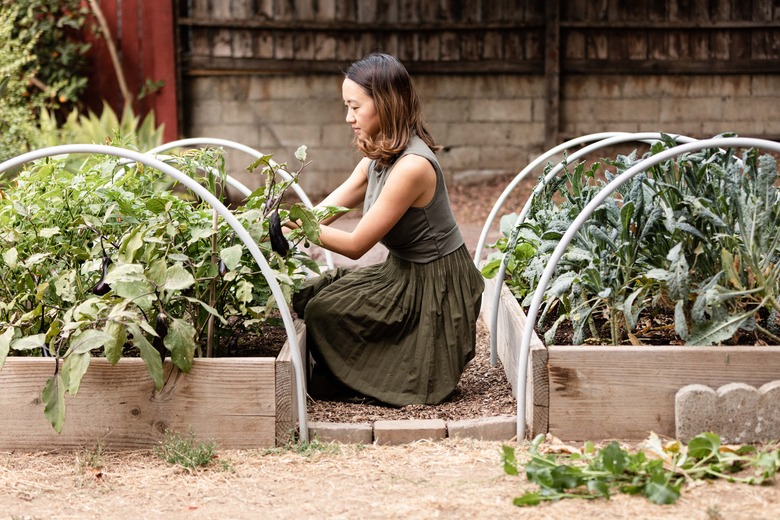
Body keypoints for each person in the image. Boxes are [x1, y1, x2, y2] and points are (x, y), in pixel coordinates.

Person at [291, 53, 485, 407]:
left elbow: (355, 245)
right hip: (403, 272)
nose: (348, 118)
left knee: (323, 311)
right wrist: (285, 224)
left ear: (385, 104)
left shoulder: (412, 166)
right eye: (346, 106)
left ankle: (364, 378)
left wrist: (296, 228)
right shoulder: (378, 158)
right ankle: (345, 373)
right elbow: (325, 211)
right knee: (312, 294)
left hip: (435, 286)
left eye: (355, 107)